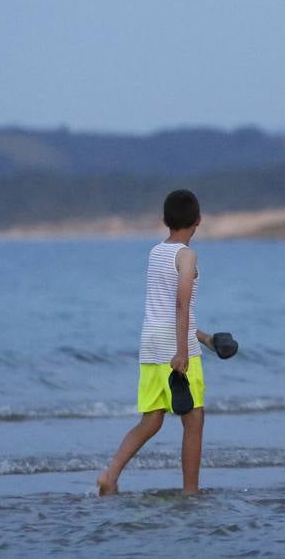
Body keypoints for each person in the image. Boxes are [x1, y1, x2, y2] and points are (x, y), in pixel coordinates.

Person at [99, 189, 222, 495]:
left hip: (151, 342)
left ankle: (110, 475)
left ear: (165, 220)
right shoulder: (187, 255)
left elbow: (167, 307)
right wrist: (182, 351)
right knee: (194, 419)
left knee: (152, 420)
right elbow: (181, 304)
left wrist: (205, 338)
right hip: (176, 347)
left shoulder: (155, 253)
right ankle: (190, 492)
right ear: (198, 220)